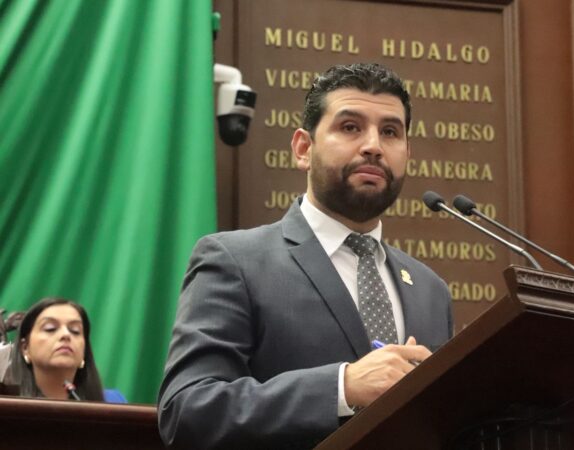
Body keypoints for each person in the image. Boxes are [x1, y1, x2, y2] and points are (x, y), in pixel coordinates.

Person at [158, 62, 454, 449]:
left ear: (407, 153)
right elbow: (187, 411)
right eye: (350, 127)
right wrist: (341, 388)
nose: (373, 146)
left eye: (390, 132)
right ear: (303, 149)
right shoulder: (234, 261)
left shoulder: (431, 290)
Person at [9, 297, 104, 401]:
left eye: (75, 331)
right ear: (25, 348)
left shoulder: (111, 403)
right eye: (50, 328)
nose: (66, 334)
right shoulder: (6, 404)